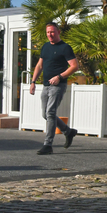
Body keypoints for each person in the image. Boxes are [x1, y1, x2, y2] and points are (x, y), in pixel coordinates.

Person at [30, 22, 79, 155]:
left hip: (58, 85)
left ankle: (48, 145)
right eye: (47, 32)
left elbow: (74, 66)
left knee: (50, 112)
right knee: (45, 114)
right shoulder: (45, 47)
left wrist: (59, 77)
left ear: (58, 32)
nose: (50, 35)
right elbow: (39, 65)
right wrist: (33, 81)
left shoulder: (65, 48)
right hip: (46, 85)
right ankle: (68, 132)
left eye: (52, 32)